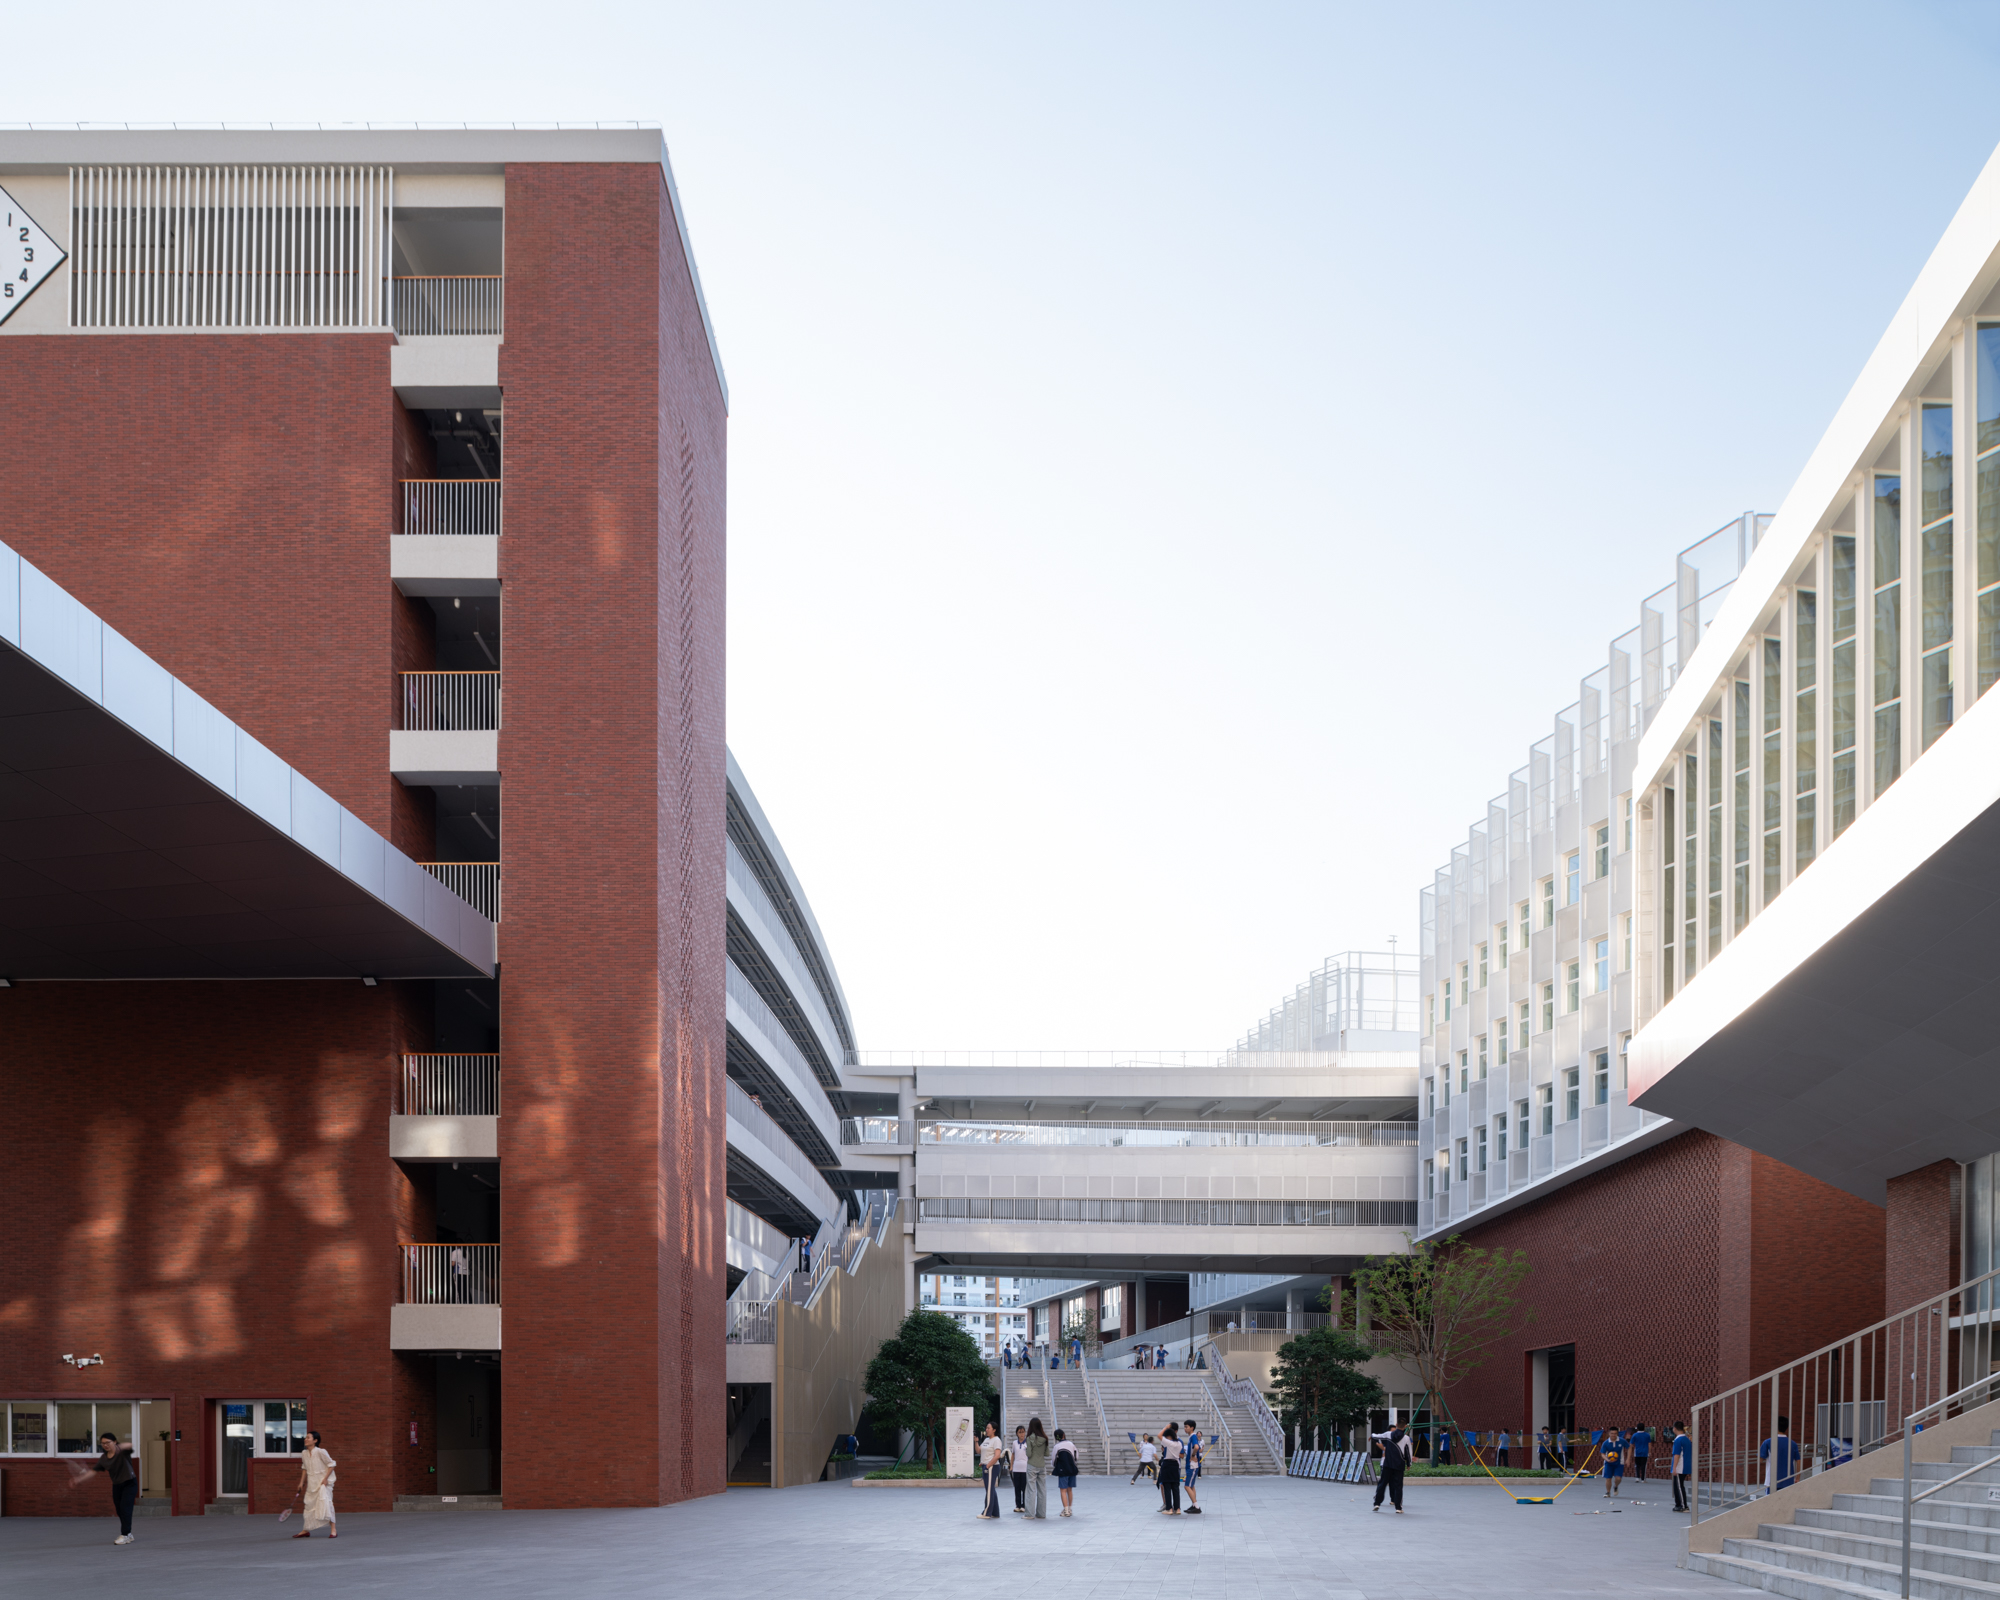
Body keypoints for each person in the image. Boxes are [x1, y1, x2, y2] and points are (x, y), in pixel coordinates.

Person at [90, 1431, 139, 1545]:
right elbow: (93, 1471)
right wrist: (78, 1479)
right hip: (117, 1485)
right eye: (103, 1443)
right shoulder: (104, 1458)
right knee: (119, 1510)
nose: (105, 1445)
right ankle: (129, 1534)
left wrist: (117, 1446)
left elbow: (130, 1444)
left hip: (130, 1484)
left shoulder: (122, 1452)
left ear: (115, 1442)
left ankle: (125, 1534)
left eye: (108, 1442)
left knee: (125, 1508)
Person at [292, 1430, 338, 1537]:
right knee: (309, 1506)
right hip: (312, 1484)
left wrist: (325, 1479)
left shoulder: (321, 1451)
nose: (305, 1439)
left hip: (323, 1484)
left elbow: (332, 1464)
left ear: (315, 1440)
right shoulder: (304, 1453)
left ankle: (333, 1530)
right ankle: (306, 1530)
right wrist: (301, 1482)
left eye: (308, 1437)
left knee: (327, 1504)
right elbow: (304, 1468)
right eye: (306, 1437)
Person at [1370, 1424, 1410, 1513]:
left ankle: (1377, 1503)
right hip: (1399, 1465)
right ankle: (1398, 1507)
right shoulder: (1406, 1438)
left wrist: (1372, 1436)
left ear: (1397, 1425)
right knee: (1398, 1486)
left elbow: (1376, 1437)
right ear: (1405, 1426)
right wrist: (1409, 1463)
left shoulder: (1388, 1435)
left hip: (1387, 1464)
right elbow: (1408, 1452)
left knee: (1382, 1483)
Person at [1761, 1416, 1801, 1493]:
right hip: (1788, 1480)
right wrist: (1797, 1477)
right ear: (1786, 1428)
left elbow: (1761, 1458)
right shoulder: (1792, 1443)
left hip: (1771, 1480)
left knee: (1771, 1499)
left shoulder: (1768, 1442)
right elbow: (1798, 1461)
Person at [1024, 1417, 1050, 1519]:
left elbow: (1029, 1454)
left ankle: (1029, 1514)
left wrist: (1027, 1450)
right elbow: (1047, 1454)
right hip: (1042, 1466)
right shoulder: (1045, 1438)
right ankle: (1041, 1513)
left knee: (1031, 1489)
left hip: (1032, 1465)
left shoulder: (1029, 1438)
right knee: (1042, 1490)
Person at [977, 1422, 1005, 1518]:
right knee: (990, 1489)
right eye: (986, 1428)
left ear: (994, 1430)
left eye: (989, 1428)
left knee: (989, 1490)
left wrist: (988, 1465)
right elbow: (979, 1451)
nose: (987, 1429)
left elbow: (997, 1455)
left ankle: (987, 1513)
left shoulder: (996, 1440)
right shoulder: (986, 1440)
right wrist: (976, 1442)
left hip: (991, 1467)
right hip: (986, 1466)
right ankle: (995, 1512)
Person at [1156, 1422, 1183, 1514]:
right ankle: (1177, 1508)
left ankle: (1169, 1508)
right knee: (1175, 1487)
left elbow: (1159, 1435)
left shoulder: (1169, 1443)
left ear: (1169, 1436)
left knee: (1167, 1487)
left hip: (1167, 1464)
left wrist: (1166, 1427)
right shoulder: (1179, 1443)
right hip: (1176, 1464)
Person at [1052, 1428, 1079, 1517]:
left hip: (1062, 1470)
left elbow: (1053, 1460)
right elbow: (1076, 1456)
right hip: (1072, 1469)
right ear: (1063, 1435)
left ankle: (1066, 1510)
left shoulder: (1057, 1446)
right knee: (1069, 1490)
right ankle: (1070, 1509)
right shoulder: (1071, 1444)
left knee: (1063, 1490)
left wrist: (1055, 1466)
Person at [1182, 1418, 1204, 1514]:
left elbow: (1196, 1447)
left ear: (1192, 1428)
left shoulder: (1193, 1436)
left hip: (1192, 1465)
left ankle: (1196, 1506)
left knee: (1187, 1486)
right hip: (1191, 1465)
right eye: (1184, 1427)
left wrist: (1193, 1455)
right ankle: (1194, 1505)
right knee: (1191, 1486)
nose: (1185, 1429)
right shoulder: (1191, 1437)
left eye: (1186, 1427)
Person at [1670, 1421, 1693, 1512]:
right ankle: (1678, 1504)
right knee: (1677, 1486)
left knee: (1679, 1486)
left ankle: (1683, 1506)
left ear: (1675, 1428)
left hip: (1680, 1466)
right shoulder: (1687, 1439)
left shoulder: (1678, 1440)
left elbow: (1677, 1454)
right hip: (1686, 1464)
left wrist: (1674, 1467)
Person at [1010, 1424, 1030, 1512]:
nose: (1022, 1434)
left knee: (1024, 1487)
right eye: (1020, 1432)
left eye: (1023, 1432)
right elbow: (1013, 1454)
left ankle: (1024, 1505)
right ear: (1017, 1434)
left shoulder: (1028, 1442)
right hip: (1016, 1468)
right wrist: (1011, 1466)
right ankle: (1017, 1505)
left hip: (1025, 1468)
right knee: (1017, 1487)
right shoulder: (1015, 1443)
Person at [1601, 1429, 1623, 1498]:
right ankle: (1608, 1492)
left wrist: (1628, 1459)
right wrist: (1607, 1459)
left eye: (1615, 1433)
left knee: (1618, 1478)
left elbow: (1629, 1447)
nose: (1613, 1435)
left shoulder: (1622, 1441)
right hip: (1608, 1463)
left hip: (1619, 1463)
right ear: (1609, 1434)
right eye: (1612, 1433)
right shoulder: (1605, 1443)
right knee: (1608, 1478)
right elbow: (1602, 1454)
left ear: (1617, 1434)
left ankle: (1616, 1486)